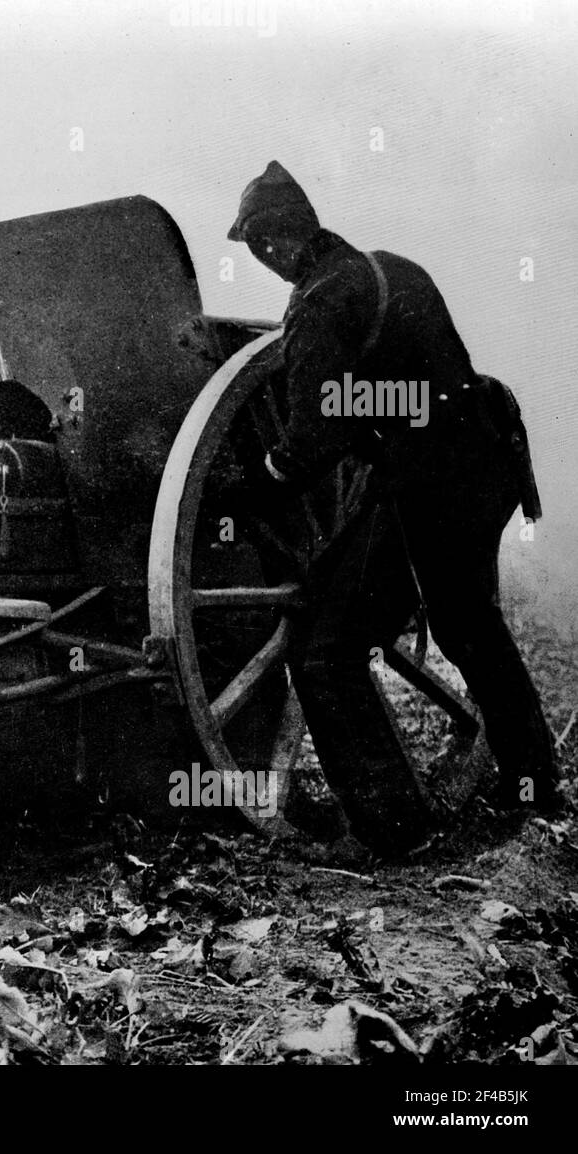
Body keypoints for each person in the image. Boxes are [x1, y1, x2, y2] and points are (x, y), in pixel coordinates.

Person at [228, 160, 559, 856]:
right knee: (469, 620)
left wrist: (258, 481)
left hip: (430, 480)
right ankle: (534, 781)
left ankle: (392, 830)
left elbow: (313, 439)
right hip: (487, 456)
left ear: (280, 241)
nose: (263, 261)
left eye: (261, 247)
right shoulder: (390, 267)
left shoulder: (317, 303)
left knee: (324, 650)